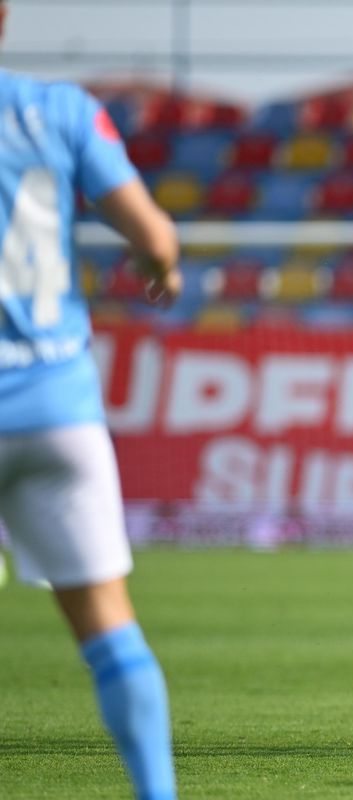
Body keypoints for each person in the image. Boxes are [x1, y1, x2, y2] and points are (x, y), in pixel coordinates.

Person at [0, 1, 181, 796]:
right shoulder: (61, 110)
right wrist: (164, 269)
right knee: (112, 634)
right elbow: (156, 237)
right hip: (56, 408)